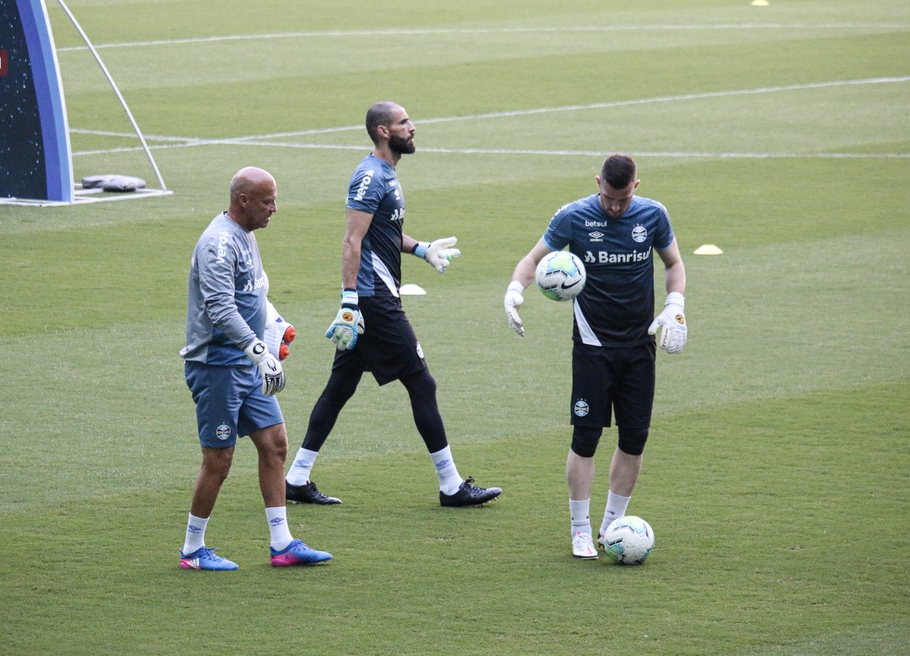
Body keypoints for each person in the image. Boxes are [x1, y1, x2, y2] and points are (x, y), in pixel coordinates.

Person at [284, 101, 502, 508]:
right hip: (372, 300)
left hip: (370, 296)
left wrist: (421, 249)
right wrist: (350, 300)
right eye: (404, 123)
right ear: (384, 131)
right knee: (421, 381)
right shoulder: (370, 176)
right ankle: (451, 486)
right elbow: (352, 239)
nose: (412, 128)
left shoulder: (387, 174)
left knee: (340, 386)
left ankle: (296, 478)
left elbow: (381, 233)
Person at [503, 154, 687, 559]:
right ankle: (580, 529)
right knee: (586, 437)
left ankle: (610, 527)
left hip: (640, 345)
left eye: (622, 200)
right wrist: (516, 290)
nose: (615, 207)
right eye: (608, 198)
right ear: (597, 183)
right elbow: (534, 260)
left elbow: (673, 263)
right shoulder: (574, 216)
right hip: (592, 347)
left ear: (635, 187)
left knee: (634, 438)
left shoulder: (654, 216)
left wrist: (676, 303)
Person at [178, 166, 332, 570]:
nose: (275, 209)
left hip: (243, 363)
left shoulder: (245, 236)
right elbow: (220, 306)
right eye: (268, 201)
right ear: (242, 201)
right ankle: (192, 550)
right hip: (217, 365)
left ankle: (282, 544)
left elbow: (254, 292)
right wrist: (259, 349)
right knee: (219, 459)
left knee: (275, 443)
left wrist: (276, 323)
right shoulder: (217, 244)